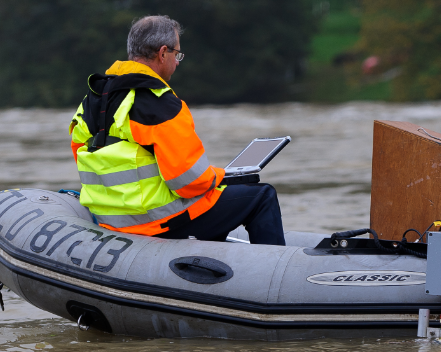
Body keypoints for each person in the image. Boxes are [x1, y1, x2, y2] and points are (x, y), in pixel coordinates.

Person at [68, 15, 285, 245]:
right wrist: (222, 175)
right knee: (262, 196)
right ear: (163, 53)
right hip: (157, 222)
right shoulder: (161, 103)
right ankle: (275, 276)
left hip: (110, 220)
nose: (178, 61)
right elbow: (188, 181)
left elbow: (79, 151)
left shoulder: (93, 98)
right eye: (177, 54)